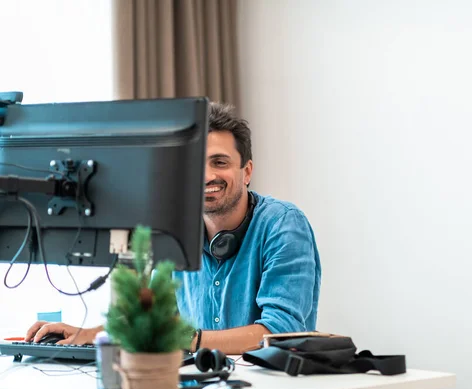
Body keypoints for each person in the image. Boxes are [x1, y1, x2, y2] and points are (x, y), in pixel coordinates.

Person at [24, 102, 322, 354]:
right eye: (196, 165)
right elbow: (153, 319)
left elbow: (280, 333)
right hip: (203, 386)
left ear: (246, 172)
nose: (206, 176)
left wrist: (189, 339)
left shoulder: (283, 224)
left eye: (220, 162)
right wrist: (88, 334)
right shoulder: (177, 232)